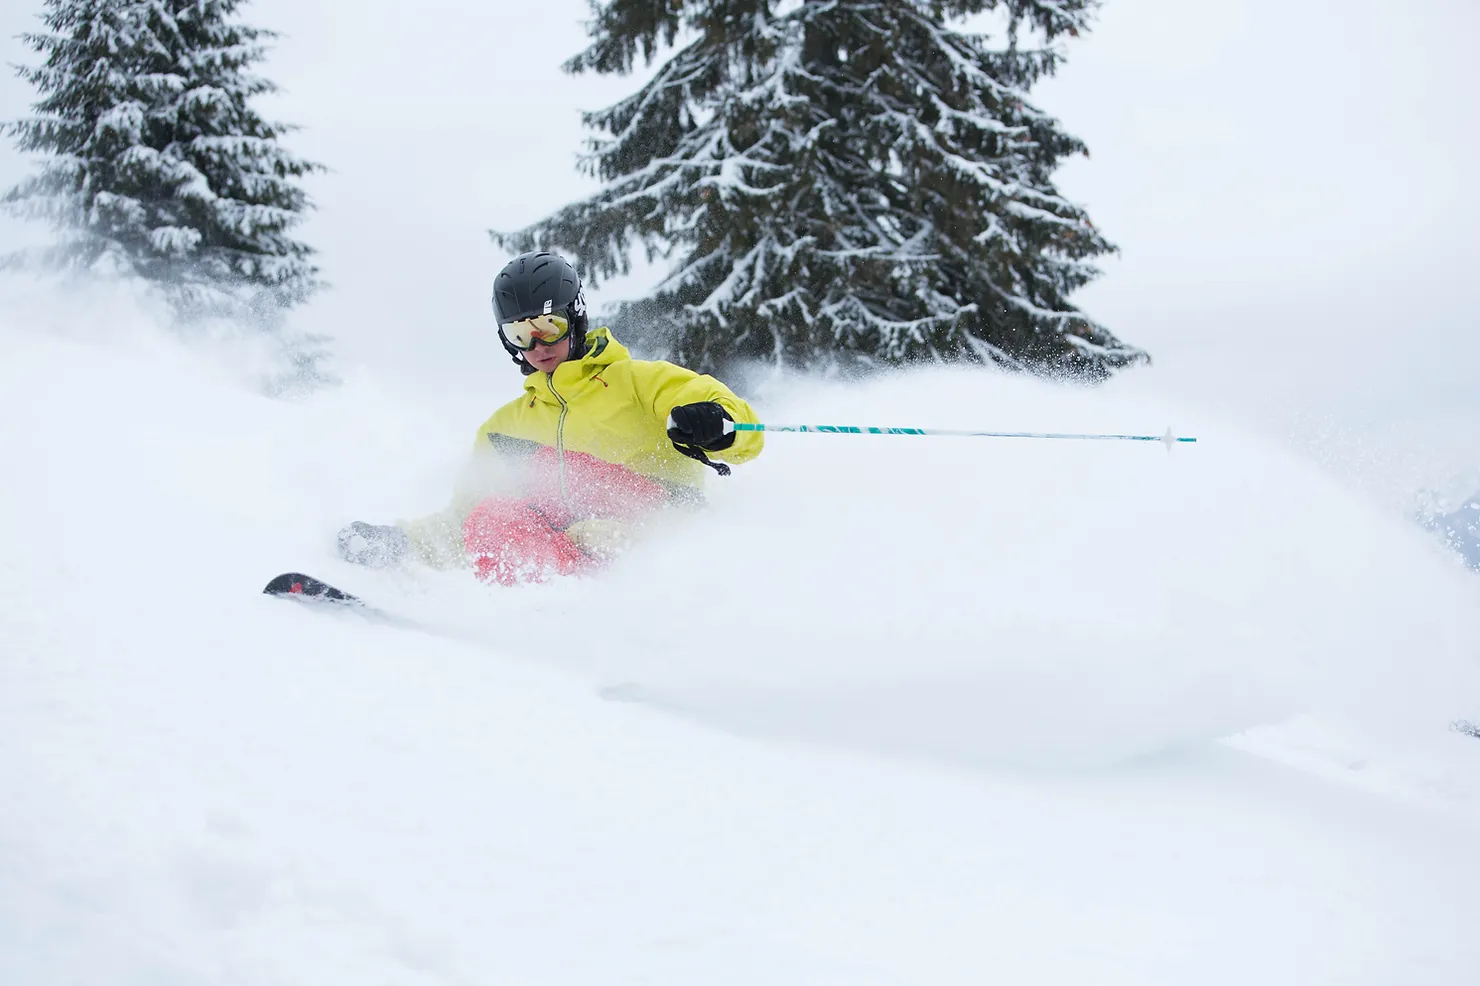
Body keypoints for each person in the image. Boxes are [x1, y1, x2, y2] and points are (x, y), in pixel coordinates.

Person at [336, 251, 764, 584]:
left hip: (656, 552)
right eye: (520, 334)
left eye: (548, 325)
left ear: (575, 317)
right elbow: (465, 523)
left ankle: (620, 618)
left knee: (597, 519)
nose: (537, 344)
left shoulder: (640, 383)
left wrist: (715, 422)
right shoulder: (505, 429)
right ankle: (547, 623)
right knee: (493, 517)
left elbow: (743, 429)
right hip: (567, 575)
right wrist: (403, 543)